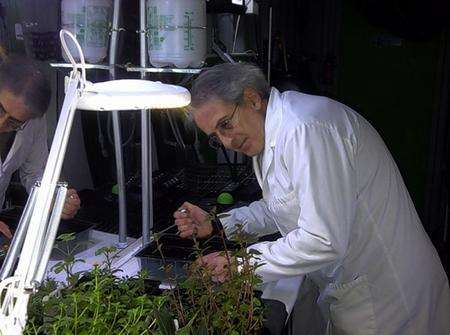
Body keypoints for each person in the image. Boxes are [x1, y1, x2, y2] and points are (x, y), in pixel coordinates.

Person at [173, 63, 450, 334]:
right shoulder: (273, 133)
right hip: (356, 290)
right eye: (216, 137)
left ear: (252, 98)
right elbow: (284, 206)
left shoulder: (306, 128)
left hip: (389, 298)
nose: (227, 142)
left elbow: (322, 239)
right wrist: (219, 224)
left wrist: (239, 264)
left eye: (226, 124)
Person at [0, 56, 80, 239]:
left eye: (14, 122)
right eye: (0, 109)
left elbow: (34, 172)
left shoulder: (33, 123)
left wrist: (54, 197)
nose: (1, 123)